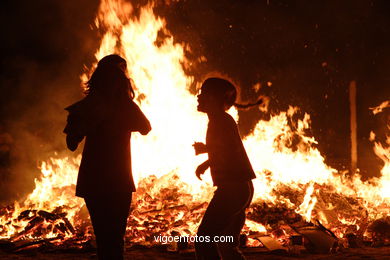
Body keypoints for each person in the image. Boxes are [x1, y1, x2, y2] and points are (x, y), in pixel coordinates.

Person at [64, 54, 151, 260]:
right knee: (114, 238)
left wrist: (84, 125)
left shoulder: (86, 106)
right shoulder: (124, 106)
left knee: (105, 238)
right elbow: (146, 128)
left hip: (94, 181)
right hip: (117, 181)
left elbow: (71, 144)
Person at [193, 77, 262, 260]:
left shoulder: (220, 121)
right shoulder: (220, 119)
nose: (199, 98)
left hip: (232, 190)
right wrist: (207, 162)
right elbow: (228, 150)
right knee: (226, 245)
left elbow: (227, 148)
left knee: (204, 240)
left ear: (215, 98)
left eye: (204, 94)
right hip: (240, 188)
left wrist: (206, 150)